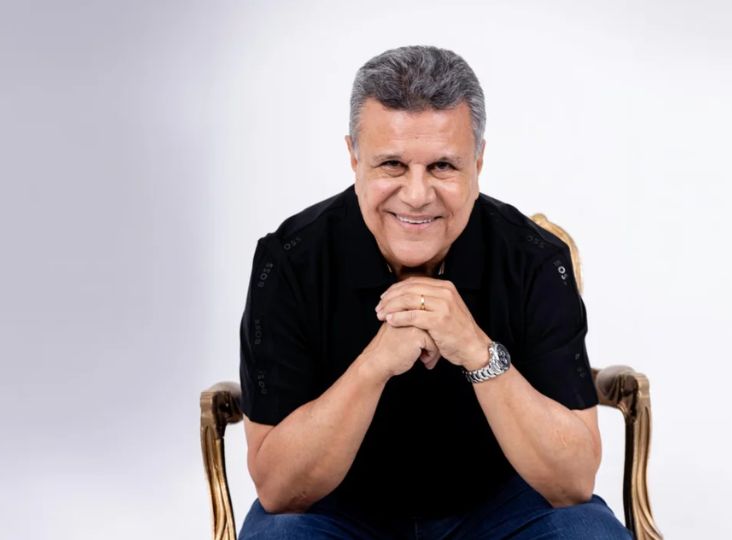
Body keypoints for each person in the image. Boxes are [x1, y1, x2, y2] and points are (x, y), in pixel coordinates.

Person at [237, 45, 632, 539]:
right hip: (336, 508)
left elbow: (572, 483)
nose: (417, 195)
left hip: (503, 502)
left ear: (478, 162)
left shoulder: (532, 258)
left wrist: (476, 350)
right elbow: (278, 490)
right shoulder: (290, 261)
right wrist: (375, 364)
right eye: (392, 165)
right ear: (354, 157)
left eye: (443, 166)